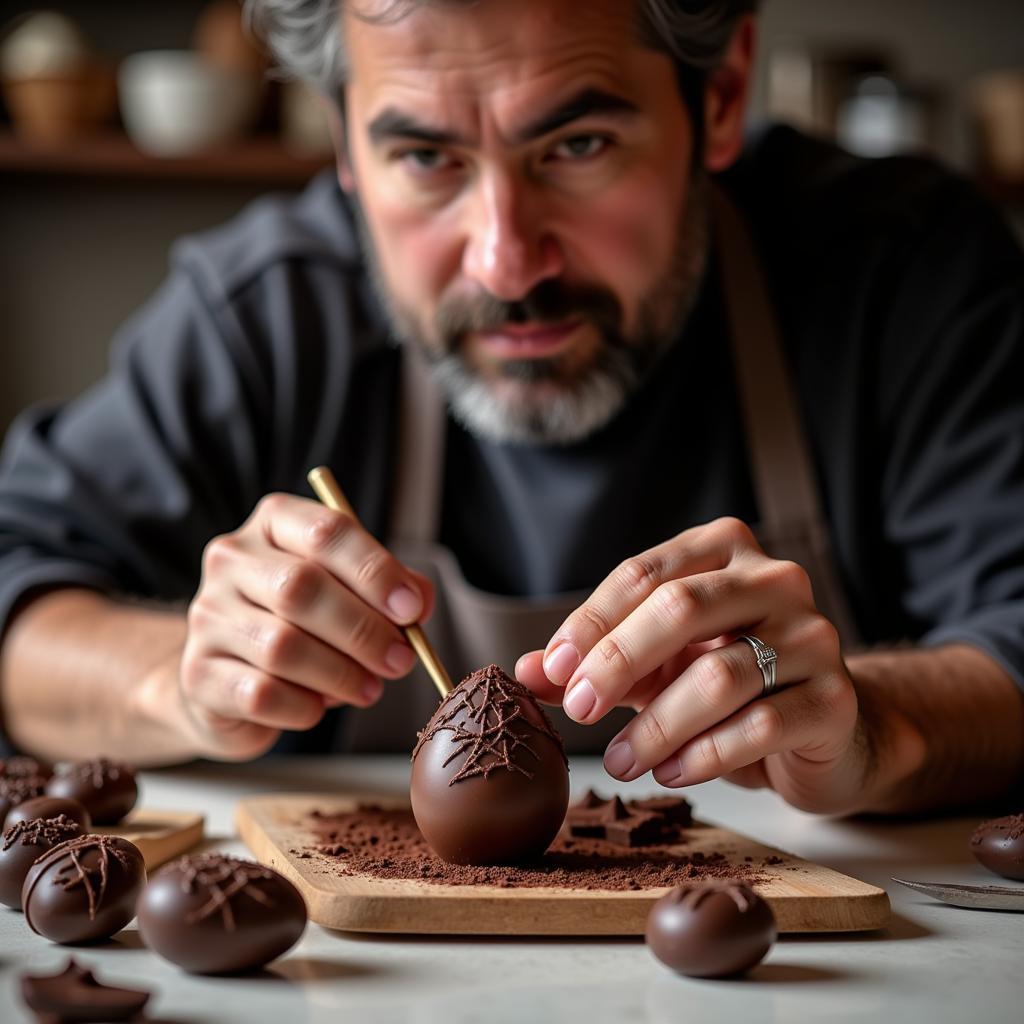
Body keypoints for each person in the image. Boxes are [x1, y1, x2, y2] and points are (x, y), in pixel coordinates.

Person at [0, 0, 1021, 817]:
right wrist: (173, 678)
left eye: (575, 145)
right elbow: (20, 603)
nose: (503, 259)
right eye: (425, 158)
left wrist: (872, 727)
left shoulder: (904, 276)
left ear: (721, 97)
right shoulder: (261, 322)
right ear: (346, 146)